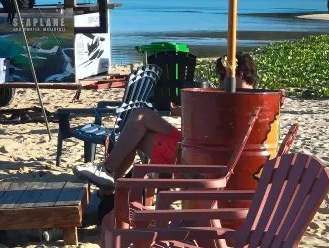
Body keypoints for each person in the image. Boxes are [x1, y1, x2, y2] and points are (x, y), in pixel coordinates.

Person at [72, 52, 259, 189]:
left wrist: (188, 113)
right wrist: (185, 112)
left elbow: (207, 130)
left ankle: (109, 177)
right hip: (201, 149)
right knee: (140, 117)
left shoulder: (235, 99)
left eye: (223, 75)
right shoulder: (251, 98)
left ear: (238, 73)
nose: (221, 81)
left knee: (138, 127)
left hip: (197, 156)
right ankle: (108, 176)